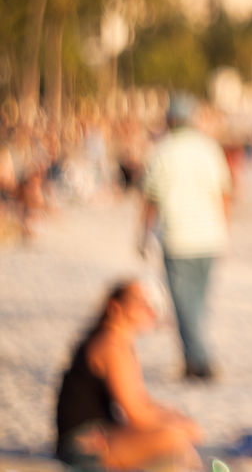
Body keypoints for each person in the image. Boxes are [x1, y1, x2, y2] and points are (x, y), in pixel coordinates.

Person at [55, 279, 204, 470]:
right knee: (173, 437)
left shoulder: (119, 341)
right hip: (83, 443)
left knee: (176, 439)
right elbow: (136, 412)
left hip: (102, 431)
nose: (149, 308)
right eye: (139, 302)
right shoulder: (110, 345)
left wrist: (173, 417)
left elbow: (141, 403)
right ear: (115, 307)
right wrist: (179, 426)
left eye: (148, 303)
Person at [140, 93, 232, 381]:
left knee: (184, 304)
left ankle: (199, 361)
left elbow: (151, 198)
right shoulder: (209, 148)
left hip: (178, 236)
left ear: (170, 120)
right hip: (210, 236)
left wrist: (143, 234)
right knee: (198, 302)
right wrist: (225, 229)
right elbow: (224, 192)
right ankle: (196, 358)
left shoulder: (162, 151)